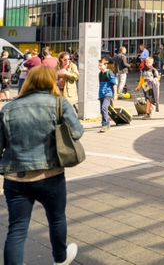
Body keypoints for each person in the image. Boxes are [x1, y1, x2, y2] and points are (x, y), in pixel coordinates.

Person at [0, 65, 82, 265]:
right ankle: (60, 259)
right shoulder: (59, 104)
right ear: (51, 81)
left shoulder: (8, 108)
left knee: (17, 228)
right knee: (56, 218)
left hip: (15, 178)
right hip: (50, 176)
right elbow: (77, 132)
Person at [98, 59, 117, 133]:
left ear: (105, 65)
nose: (99, 67)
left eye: (100, 65)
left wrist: (115, 94)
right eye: (99, 65)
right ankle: (107, 124)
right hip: (101, 94)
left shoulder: (109, 72)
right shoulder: (100, 74)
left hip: (108, 94)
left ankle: (105, 124)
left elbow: (114, 83)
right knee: (102, 110)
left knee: (104, 108)